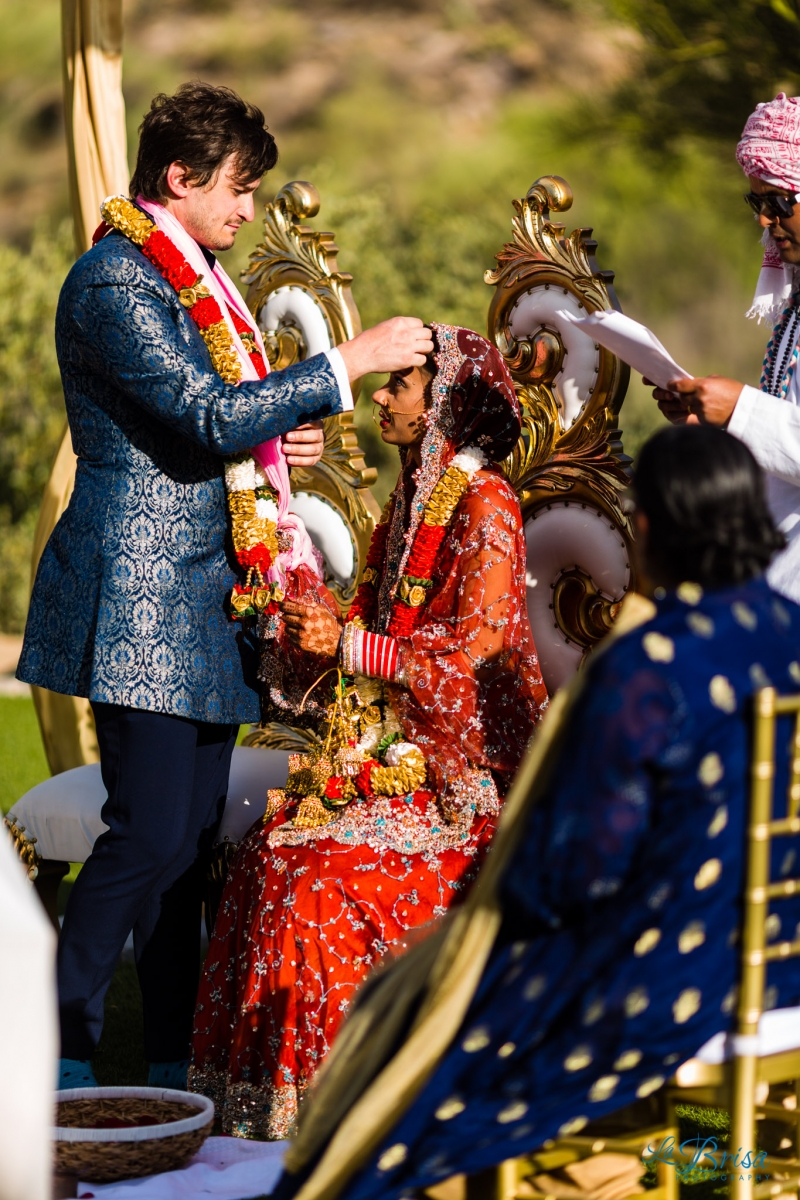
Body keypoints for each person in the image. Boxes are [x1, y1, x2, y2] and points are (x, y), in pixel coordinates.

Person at [15, 81, 433, 1092]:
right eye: (239, 190)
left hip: (205, 598)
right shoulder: (117, 280)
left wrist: (277, 429)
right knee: (148, 835)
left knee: (186, 843)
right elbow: (203, 416)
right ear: (180, 178)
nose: (247, 210)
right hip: (142, 597)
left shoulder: (193, 276)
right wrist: (348, 362)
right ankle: (51, 1055)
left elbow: (216, 420)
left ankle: (163, 1065)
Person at [267, 424, 800, 1200]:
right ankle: (710, 1167)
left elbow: (563, 880)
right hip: (774, 977)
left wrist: (465, 936)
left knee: (404, 1012)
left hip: (654, 998)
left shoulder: (647, 669)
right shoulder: (787, 639)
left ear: (647, 529)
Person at [188, 324, 549, 1139]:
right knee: (270, 854)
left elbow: (481, 667)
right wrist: (317, 622)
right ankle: (251, 1118)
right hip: (395, 759)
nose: (381, 396)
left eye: (400, 385)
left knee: (316, 878)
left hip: (466, 791)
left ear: (444, 400)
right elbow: (375, 623)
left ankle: (333, 1115)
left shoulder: (484, 501)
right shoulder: (414, 495)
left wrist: (352, 645)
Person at [652, 92, 800, 605]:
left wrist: (741, 409)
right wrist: (715, 425)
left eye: (778, 202)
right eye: (756, 203)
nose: (765, 220)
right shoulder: (795, 305)